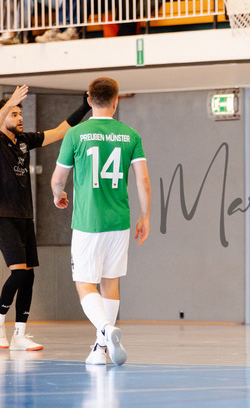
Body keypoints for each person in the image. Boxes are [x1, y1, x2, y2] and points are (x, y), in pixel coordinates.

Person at [51, 77, 151, 365]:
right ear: (116, 101)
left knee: (85, 284)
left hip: (88, 222)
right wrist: (145, 216)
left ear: (89, 100)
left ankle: (105, 330)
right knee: (110, 283)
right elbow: (143, 181)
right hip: (119, 221)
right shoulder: (130, 135)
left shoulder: (76, 134)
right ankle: (100, 349)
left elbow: (58, 179)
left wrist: (58, 195)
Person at [0, 85, 91, 350]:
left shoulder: (24, 141)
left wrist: (85, 107)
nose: (20, 117)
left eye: (20, 113)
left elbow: (61, 131)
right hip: (4, 215)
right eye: (13, 114)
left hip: (25, 216)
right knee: (18, 272)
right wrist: (9, 102)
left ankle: (19, 335)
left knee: (28, 276)